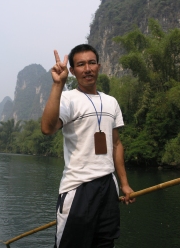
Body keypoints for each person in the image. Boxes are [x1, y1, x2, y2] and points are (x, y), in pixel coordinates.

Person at [41, 44, 135, 248]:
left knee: (105, 242)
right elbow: (47, 128)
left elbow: (117, 143)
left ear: (99, 66)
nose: (87, 68)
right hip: (78, 188)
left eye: (92, 63)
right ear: (73, 71)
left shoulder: (111, 102)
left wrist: (124, 183)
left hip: (109, 186)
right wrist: (58, 84)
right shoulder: (67, 99)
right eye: (81, 64)